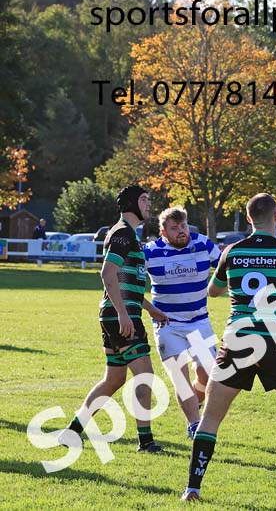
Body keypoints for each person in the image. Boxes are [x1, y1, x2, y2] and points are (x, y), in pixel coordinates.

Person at [181, 193, 276, 505]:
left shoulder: (232, 251)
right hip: (275, 340)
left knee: (210, 417)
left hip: (237, 340)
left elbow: (213, 291)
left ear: (249, 218)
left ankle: (192, 489)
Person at [59, 185, 168, 453]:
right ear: (130, 203)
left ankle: (72, 431)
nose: (149, 205)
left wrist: (149, 308)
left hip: (117, 313)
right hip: (121, 316)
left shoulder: (127, 234)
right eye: (144, 199)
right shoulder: (122, 233)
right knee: (145, 376)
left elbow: (124, 281)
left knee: (114, 379)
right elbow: (107, 274)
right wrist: (123, 313)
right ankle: (146, 441)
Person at [144, 206, 221, 439]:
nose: (181, 232)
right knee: (180, 377)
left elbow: (227, 268)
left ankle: (194, 402)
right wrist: (150, 309)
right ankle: (194, 426)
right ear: (163, 231)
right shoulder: (150, 252)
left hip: (199, 322)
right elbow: (128, 283)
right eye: (174, 228)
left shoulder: (203, 244)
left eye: (184, 226)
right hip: (168, 324)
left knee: (210, 376)